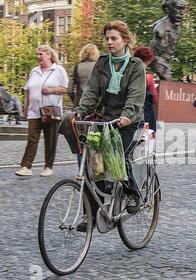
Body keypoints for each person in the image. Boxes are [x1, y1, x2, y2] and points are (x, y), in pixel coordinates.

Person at [75, 20, 146, 228]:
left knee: (118, 156)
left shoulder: (135, 65)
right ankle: (91, 213)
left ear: (125, 40)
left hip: (128, 120)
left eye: (114, 38)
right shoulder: (102, 62)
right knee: (94, 163)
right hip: (107, 118)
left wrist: (126, 115)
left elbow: (136, 95)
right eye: (107, 38)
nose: (109, 42)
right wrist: (80, 110)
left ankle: (133, 194)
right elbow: (92, 90)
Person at [15, 45, 69, 177]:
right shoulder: (34, 71)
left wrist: (51, 90)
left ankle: (48, 167)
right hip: (34, 111)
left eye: (41, 54)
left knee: (50, 139)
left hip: (50, 111)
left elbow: (65, 89)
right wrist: (26, 107)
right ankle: (26, 167)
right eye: (38, 54)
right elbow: (28, 90)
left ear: (49, 55)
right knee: (32, 139)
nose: (38, 57)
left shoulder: (58, 70)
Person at [150, 0, 187, 80]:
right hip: (160, 63)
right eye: (178, 8)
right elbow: (156, 53)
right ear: (167, 9)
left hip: (166, 63)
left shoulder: (176, 27)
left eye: (183, 9)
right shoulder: (160, 29)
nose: (181, 12)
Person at [134, 46, 158, 132]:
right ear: (148, 59)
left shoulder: (130, 72)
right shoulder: (148, 77)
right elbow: (154, 98)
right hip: (145, 112)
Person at [67, 43, 100, 108]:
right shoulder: (100, 67)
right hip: (96, 105)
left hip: (79, 104)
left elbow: (69, 90)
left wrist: (75, 101)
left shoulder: (76, 67)